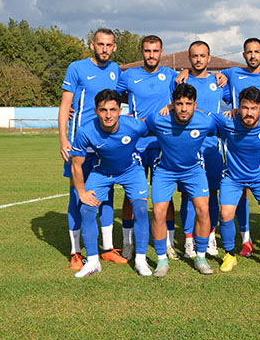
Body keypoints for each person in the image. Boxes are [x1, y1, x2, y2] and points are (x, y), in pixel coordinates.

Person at [58, 28, 127, 271]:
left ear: (114, 47)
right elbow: (65, 103)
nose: (104, 49)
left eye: (109, 45)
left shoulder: (115, 70)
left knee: (107, 195)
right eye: (100, 44)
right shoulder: (76, 68)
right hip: (80, 144)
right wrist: (63, 138)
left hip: (105, 145)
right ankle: (76, 252)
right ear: (92, 45)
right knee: (77, 196)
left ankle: (107, 248)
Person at [70, 90, 152, 277]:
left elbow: (156, 126)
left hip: (132, 171)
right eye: (103, 110)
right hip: (102, 172)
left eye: (113, 109)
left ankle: (140, 260)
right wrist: (82, 192)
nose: (108, 115)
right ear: (96, 111)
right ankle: (92, 262)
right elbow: (76, 165)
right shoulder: (85, 131)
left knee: (140, 209)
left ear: (120, 110)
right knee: (86, 209)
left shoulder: (134, 126)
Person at [221, 38, 260, 256]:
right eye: (248, 52)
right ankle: (245, 238)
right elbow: (212, 84)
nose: (252, 55)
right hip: (242, 135)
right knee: (240, 192)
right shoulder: (231, 73)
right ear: (243, 54)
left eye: (256, 51)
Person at [116, 35, 179, 260]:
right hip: (136, 145)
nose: (151, 55)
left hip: (162, 144)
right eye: (147, 51)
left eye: (155, 51)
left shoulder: (171, 75)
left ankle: (169, 243)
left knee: (165, 196)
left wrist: (172, 102)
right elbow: (109, 97)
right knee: (131, 195)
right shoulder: (129, 76)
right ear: (141, 52)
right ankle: (127, 242)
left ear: (162, 52)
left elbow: (187, 91)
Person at [147, 83, 218, 276]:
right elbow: (140, 126)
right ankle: (161, 260)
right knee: (159, 213)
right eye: (179, 104)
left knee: (203, 210)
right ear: (172, 104)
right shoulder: (158, 119)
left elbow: (226, 125)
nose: (184, 108)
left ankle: (201, 257)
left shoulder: (206, 122)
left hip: (193, 171)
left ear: (195, 104)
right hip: (165, 171)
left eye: (188, 103)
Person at [213, 87, 260, 272]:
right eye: (245, 108)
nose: (249, 113)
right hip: (232, 177)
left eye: (253, 108)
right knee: (226, 214)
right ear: (239, 107)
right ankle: (230, 255)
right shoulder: (226, 121)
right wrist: (172, 107)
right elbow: (200, 116)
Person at [177, 41, 230, 258]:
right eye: (194, 56)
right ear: (189, 58)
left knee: (212, 195)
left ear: (209, 58)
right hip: (187, 149)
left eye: (203, 56)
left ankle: (210, 238)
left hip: (212, 149)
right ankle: (189, 240)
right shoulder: (181, 80)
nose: (199, 59)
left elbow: (238, 101)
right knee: (187, 196)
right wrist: (184, 71)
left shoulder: (219, 82)